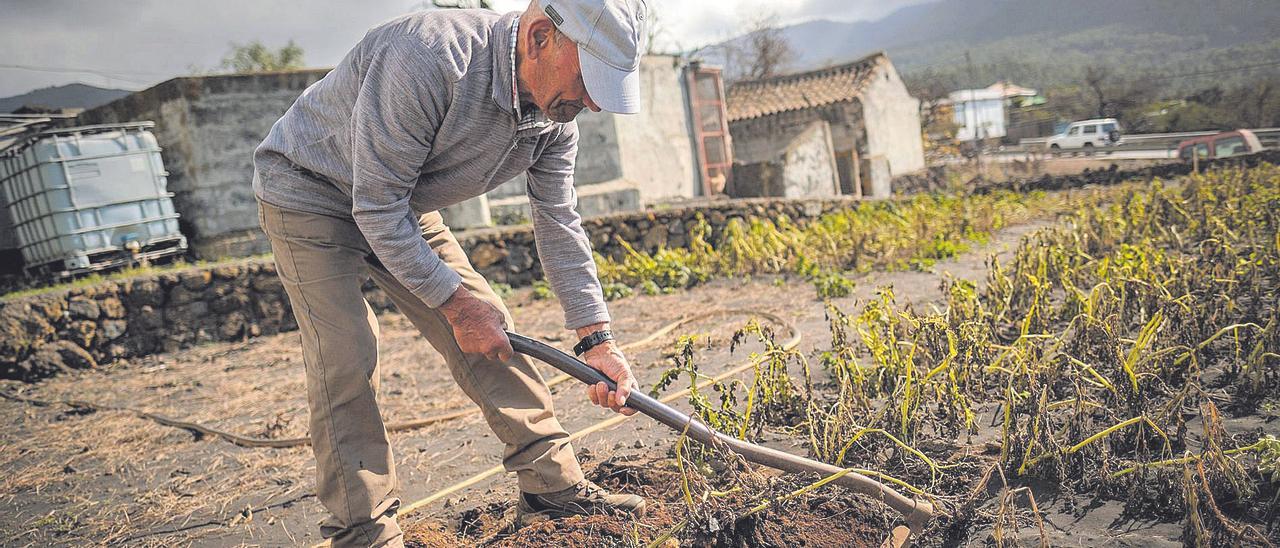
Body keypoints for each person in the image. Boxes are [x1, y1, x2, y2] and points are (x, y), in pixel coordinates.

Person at [251, 0, 650, 545]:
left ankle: (550, 486)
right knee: (346, 351)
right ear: (539, 37)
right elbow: (374, 207)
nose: (593, 102)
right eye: (588, 79)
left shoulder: (553, 117)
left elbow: (558, 221)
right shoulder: (429, 57)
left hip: (400, 198)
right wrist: (455, 306)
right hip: (308, 191)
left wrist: (596, 340)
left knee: (493, 331)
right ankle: (362, 529)